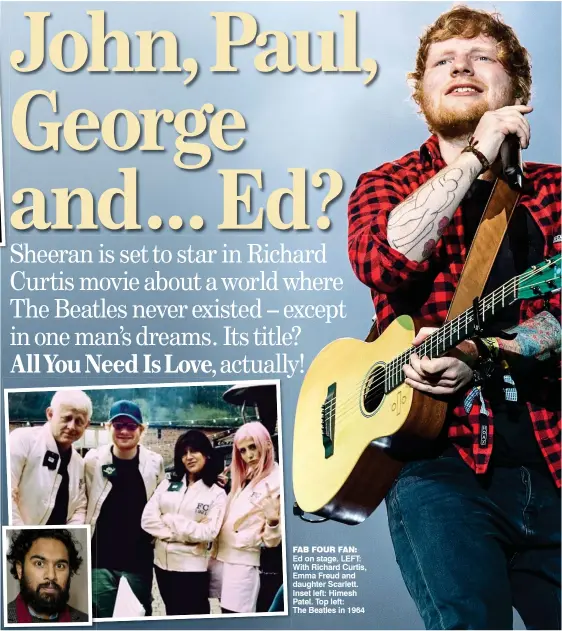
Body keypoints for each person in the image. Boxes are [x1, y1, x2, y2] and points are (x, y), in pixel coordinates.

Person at [348, 6, 560, 630]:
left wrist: (483, 355)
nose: (461, 66)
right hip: (438, 465)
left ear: (517, 92)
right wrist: (473, 156)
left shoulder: (554, 192)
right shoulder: (386, 184)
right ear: (421, 98)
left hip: (551, 454)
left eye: (481, 57)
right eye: (443, 61)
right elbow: (384, 262)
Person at [84, 399, 164, 618]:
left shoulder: (155, 463)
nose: (124, 431)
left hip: (138, 560)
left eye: (131, 426)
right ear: (109, 428)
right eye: (118, 426)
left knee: (136, 618)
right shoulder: (93, 460)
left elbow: (163, 504)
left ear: (142, 429)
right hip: (100, 560)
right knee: (100, 617)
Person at [141, 430, 227, 616]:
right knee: (172, 614)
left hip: (192, 570)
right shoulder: (168, 484)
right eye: (184, 453)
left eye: (194, 451)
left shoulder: (216, 492)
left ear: (206, 454)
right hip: (162, 567)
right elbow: (147, 519)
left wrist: (170, 519)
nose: (188, 457)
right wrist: (181, 535)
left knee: (194, 618)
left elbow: (209, 532)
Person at [211, 421, 282, 614]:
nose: (248, 455)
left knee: (237, 618)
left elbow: (272, 541)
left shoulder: (277, 482)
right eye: (242, 450)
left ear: (267, 444)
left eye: (253, 447)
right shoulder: (246, 476)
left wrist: (273, 522)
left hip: (245, 564)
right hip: (223, 559)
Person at [9, 390, 91, 526]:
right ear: (50, 414)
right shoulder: (22, 440)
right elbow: (5, 495)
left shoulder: (79, 462)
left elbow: (79, 507)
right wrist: (21, 537)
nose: (71, 427)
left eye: (79, 421)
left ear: (86, 425)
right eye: (67, 418)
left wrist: (72, 536)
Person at [6, 528, 88, 623]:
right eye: (39, 564)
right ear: (20, 570)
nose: (51, 576)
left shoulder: (85, 621)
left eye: (60, 566)